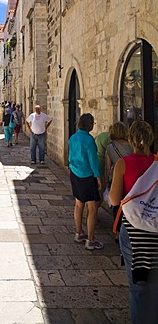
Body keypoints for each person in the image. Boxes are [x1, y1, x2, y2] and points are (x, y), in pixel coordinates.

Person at [109, 120, 158, 324]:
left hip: (134, 233)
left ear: (130, 140)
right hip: (156, 228)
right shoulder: (156, 162)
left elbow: (113, 199)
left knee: (139, 284)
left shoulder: (123, 163)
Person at [68, 113, 103, 250]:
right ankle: (91, 240)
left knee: (78, 204)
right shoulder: (89, 140)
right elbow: (93, 160)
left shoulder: (73, 137)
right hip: (87, 176)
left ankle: (79, 233)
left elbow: (70, 156)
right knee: (92, 208)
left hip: (75, 173)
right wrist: (98, 176)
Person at [105, 121, 132, 189]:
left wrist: (106, 181)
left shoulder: (109, 147)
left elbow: (108, 168)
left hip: (115, 177)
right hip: (130, 176)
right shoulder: (132, 146)